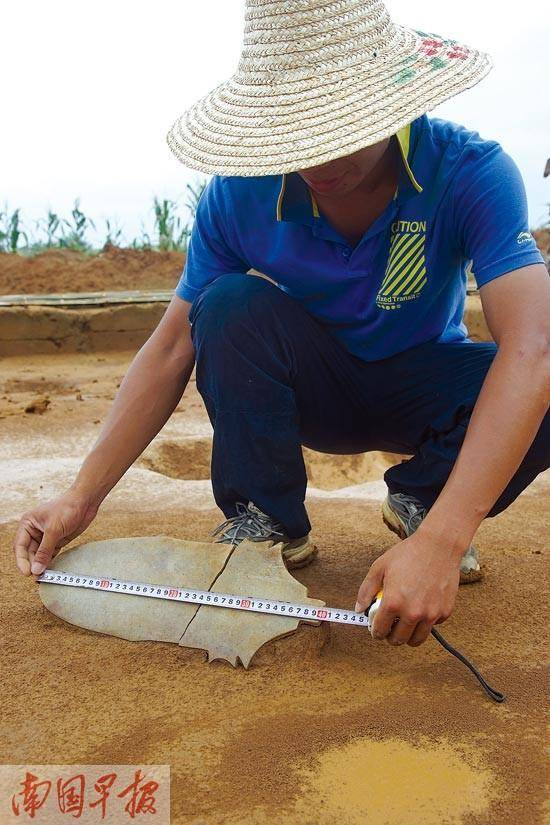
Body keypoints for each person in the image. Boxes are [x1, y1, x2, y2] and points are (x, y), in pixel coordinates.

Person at [13, 0, 550, 650]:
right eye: (296, 130)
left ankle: (426, 503)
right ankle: (267, 516)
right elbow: (170, 346)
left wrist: (445, 536)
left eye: (339, 125)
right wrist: (82, 495)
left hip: (423, 389)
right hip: (313, 385)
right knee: (228, 304)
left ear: (390, 102)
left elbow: (533, 347)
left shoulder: (470, 173)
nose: (318, 157)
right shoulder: (239, 193)